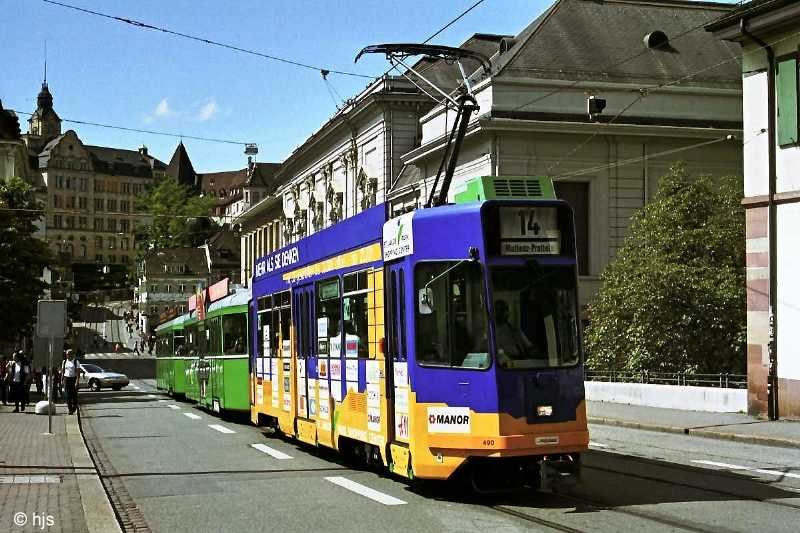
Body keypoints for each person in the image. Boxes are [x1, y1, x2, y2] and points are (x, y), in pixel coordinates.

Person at [493, 299, 533, 366]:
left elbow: (529, 347)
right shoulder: (488, 332)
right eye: (498, 310)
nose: (501, 313)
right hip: (499, 365)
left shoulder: (515, 330)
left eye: (504, 309)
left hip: (517, 364)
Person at [62, 349, 83, 415]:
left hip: (73, 379)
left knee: (74, 396)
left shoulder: (76, 362)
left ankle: (74, 407)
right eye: (67, 355)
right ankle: (70, 409)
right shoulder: (64, 361)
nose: (68, 356)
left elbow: (78, 372)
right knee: (67, 395)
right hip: (66, 379)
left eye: (69, 354)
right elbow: (63, 371)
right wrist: (61, 379)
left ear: (72, 355)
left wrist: (77, 381)